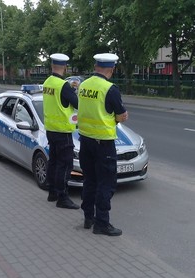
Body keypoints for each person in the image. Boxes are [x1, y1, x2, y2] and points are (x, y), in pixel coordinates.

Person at [77, 53, 128, 235]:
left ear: (96, 66)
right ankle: (102, 223)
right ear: (111, 69)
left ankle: (88, 217)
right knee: (106, 183)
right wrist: (119, 118)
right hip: (104, 144)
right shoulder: (110, 89)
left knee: (89, 180)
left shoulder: (83, 85)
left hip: (85, 140)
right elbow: (120, 115)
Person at [43, 53, 80, 209]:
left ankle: (52, 192)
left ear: (52, 66)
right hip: (63, 131)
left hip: (50, 129)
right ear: (65, 67)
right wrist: (75, 90)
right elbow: (77, 104)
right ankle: (63, 197)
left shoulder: (47, 82)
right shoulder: (63, 85)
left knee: (53, 161)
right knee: (64, 165)